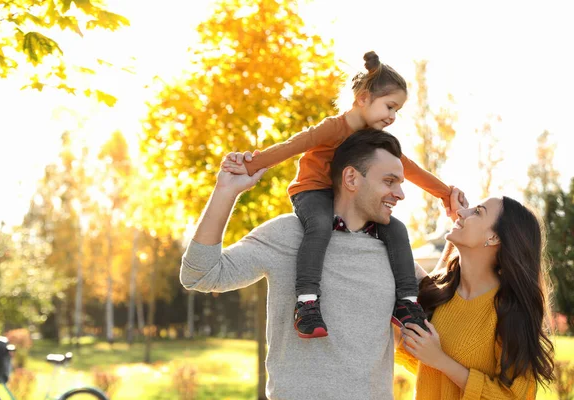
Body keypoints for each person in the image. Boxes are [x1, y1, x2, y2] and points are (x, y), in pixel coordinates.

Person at [221, 50, 467, 338]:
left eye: (397, 110)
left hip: (345, 198)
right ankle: (307, 302)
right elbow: (293, 145)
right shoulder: (333, 128)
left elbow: (407, 167)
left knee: (397, 230)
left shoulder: (375, 139)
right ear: (363, 98)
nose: (393, 116)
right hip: (313, 191)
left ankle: (406, 302)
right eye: (389, 107)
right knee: (320, 224)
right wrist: (251, 164)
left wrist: (444, 193)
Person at [182, 129, 438, 399]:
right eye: (389, 181)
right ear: (351, 178)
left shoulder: (396, 253)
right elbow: (199, 274)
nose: (400, 194)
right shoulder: (286, 235)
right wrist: (225, 191)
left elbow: (445, 301)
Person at [394, 191, 555, 399]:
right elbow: (426, 369)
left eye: (478, 212)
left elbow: (514, 396)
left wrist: (440, 360)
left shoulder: (510, 311)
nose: (462, 212)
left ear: (494, 237)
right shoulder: (440, 293)